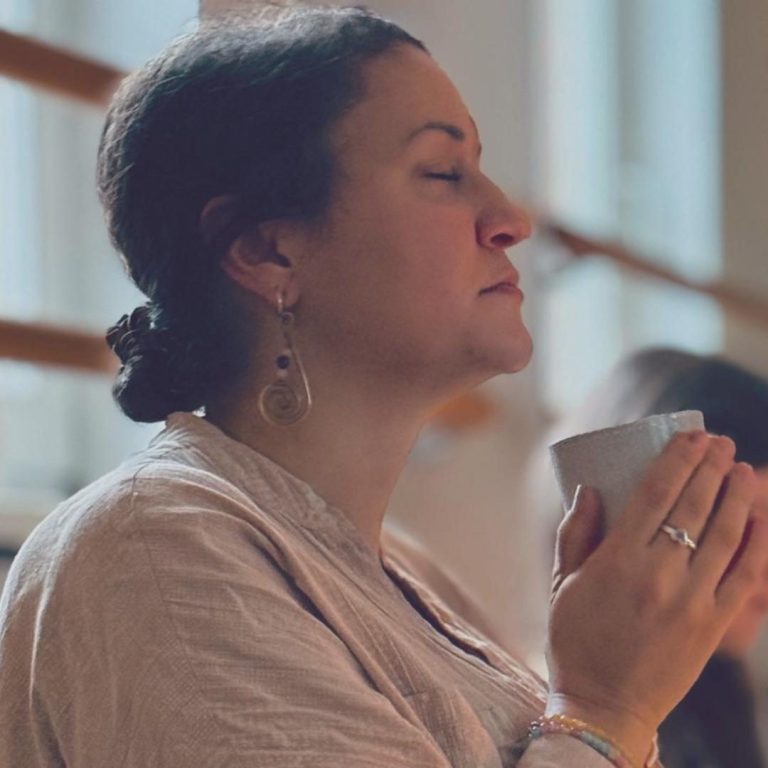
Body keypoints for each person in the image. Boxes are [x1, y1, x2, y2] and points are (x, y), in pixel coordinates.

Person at [0, 6, 766, 767]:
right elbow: (593, 723)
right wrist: (606, 708)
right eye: (443, 173)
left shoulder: (411, 577)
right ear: (269, 251)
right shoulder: (153, 551)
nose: (510, 218)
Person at [534, 347, 768, 768]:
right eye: (736, 527)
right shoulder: (535, 716)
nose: (760, 568)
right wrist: (605, 709)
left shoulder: (722, 694)